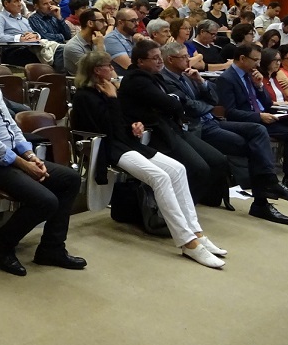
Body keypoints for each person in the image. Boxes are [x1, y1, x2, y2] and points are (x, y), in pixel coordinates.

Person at [72, 51, 226, 268]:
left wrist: (135, 125)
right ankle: (187, 242)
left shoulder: (109, 90)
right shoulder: (84, 96)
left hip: (127, 143)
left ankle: (196, 232)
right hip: (109, 148)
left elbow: (122, 122)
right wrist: (114, 100)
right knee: (160, 177)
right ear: (97, 71)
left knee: (178, 169)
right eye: (109, 66)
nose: (114, 70)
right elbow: (107, 128)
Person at [0, 37, 86, 275]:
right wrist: (24, 165)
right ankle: (0, 246)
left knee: (70, 179)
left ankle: (51, 248)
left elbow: (12, 128)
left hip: (9, 156)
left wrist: (30, 155)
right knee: (45, 200)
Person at [160, 41, 288, 220]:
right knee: (253, 146)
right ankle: (262, 199)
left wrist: (201, 82)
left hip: (213, 122)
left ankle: (268, 186)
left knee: (257, 132)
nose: (189, 60)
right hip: (197, 127)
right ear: (171, 60)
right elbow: (192, 107)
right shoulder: (165, 79)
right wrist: (209, 106)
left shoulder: (189, 76)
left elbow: (214, 97)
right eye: (184, 57)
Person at [216, 44, 288, 210]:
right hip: (247, 121)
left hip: (263, 116)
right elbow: (231, 112)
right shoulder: (227, 78)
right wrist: (259, 116)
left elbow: (266, 102)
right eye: (255, 60)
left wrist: (259, 86)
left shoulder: (251, 75)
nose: (258, 64)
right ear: (242, 59)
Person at [118, 39, 230, 207]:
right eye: (155, 58)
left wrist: (173, 100)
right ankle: (178, 211)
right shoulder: (136, 80)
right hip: (157, 133)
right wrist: (173, 101)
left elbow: (178, 98)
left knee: (218, 159)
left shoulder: (155, 76)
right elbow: (171, 103)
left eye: (159, 56)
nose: (160, 60)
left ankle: (205, 199)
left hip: (173, 127)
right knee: (198, 168)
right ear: (140, 62)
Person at [0, 0, 40, 65]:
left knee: (50, 51)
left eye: (20, 1)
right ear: (6, 3)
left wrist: (35, 35)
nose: (20, 4)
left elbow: (32, 33)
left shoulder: (24, 19)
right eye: (16, 1)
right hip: (11, 50)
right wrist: (19, 38)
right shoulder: (0, 17)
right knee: (41, 56)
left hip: (29, 47)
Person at [62, 8, 107, 76]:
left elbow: (108, 67)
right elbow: (95, 71)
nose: (106, 24)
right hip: (82, 84)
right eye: (102, 21)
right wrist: (100, 46)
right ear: (90, 23)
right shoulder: (73, 46)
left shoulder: (97, 39)